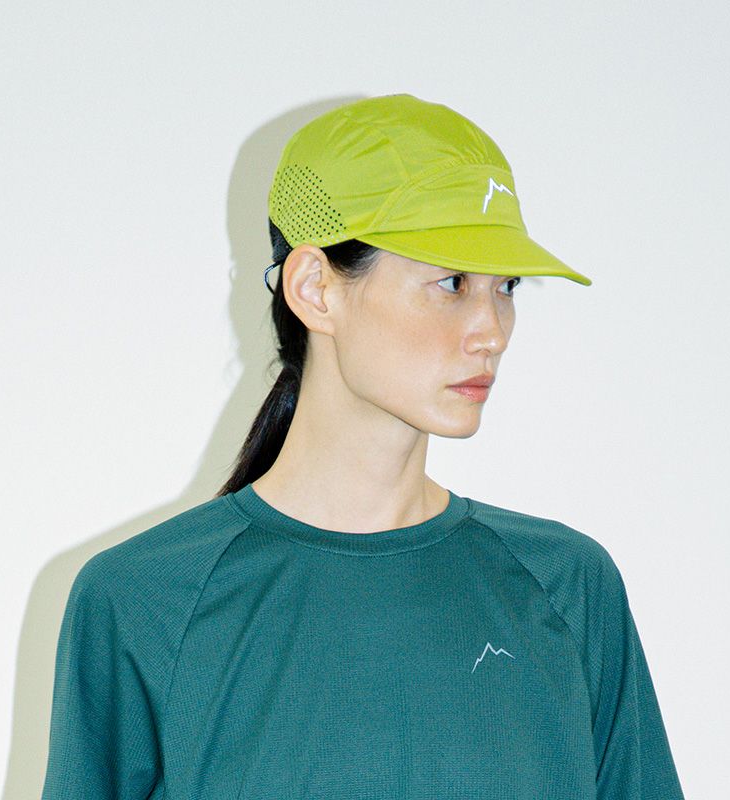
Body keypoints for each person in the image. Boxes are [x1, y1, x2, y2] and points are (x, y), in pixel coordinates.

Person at [41, 93, 685, 799]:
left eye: (506, 287)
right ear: (315, 288)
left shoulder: (567, 588)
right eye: (452, 282)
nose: (493, 330)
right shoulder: (143, 600)